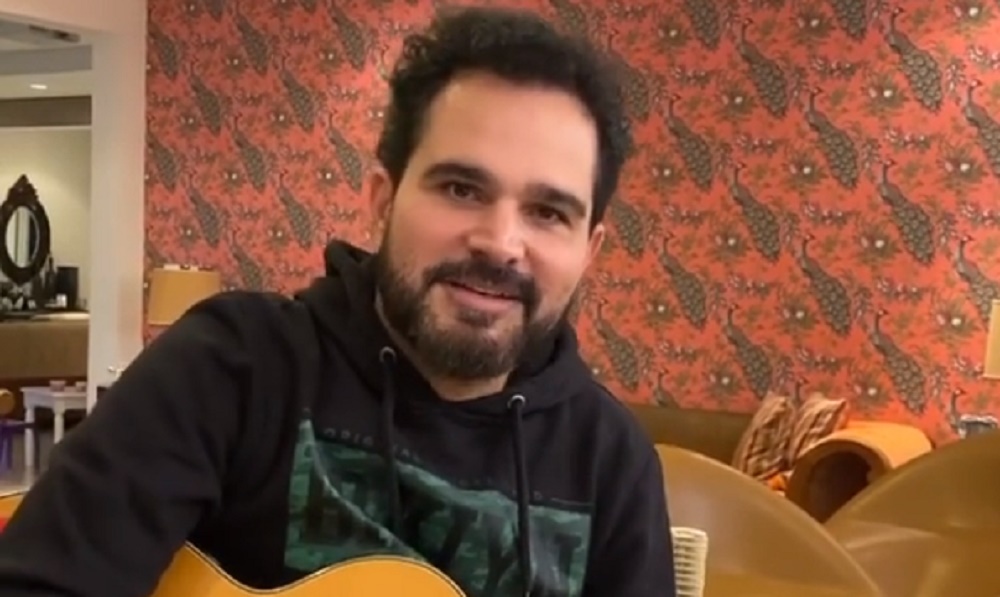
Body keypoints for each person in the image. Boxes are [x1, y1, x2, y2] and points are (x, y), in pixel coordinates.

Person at [0, 6, 676, 597]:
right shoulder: (232, 369)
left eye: (548, 212)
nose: (500, 243)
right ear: (383, 197)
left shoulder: (611, 465)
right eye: (461, 189)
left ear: (589, 249)